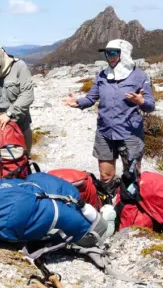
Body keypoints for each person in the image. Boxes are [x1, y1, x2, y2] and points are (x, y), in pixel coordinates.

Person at [63, 39, 155, 190]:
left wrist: (141, 101)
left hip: (129, 133)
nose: (109, 57)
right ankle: (107, 204)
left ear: (123, 54)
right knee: (105, 176)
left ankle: (128, 207)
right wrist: (78, 102)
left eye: (113, 53)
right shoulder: (102, 75)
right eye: (107, 53)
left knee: (132, 176)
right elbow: (91, 98)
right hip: (105, 133)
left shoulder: (139, 76)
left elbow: (150, 106)